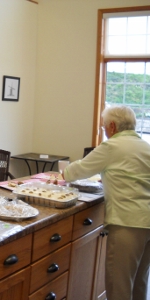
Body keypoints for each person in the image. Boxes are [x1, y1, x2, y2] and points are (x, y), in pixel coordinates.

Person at [63, 105, 150, 300]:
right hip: (147, 220)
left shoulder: (112, 146)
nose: (104, 131)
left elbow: (76, 171)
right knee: (139, 283)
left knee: (119, 286)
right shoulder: (144, 145)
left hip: (128, 222)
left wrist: (61, 172)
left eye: (103, 127)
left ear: (112, 126)